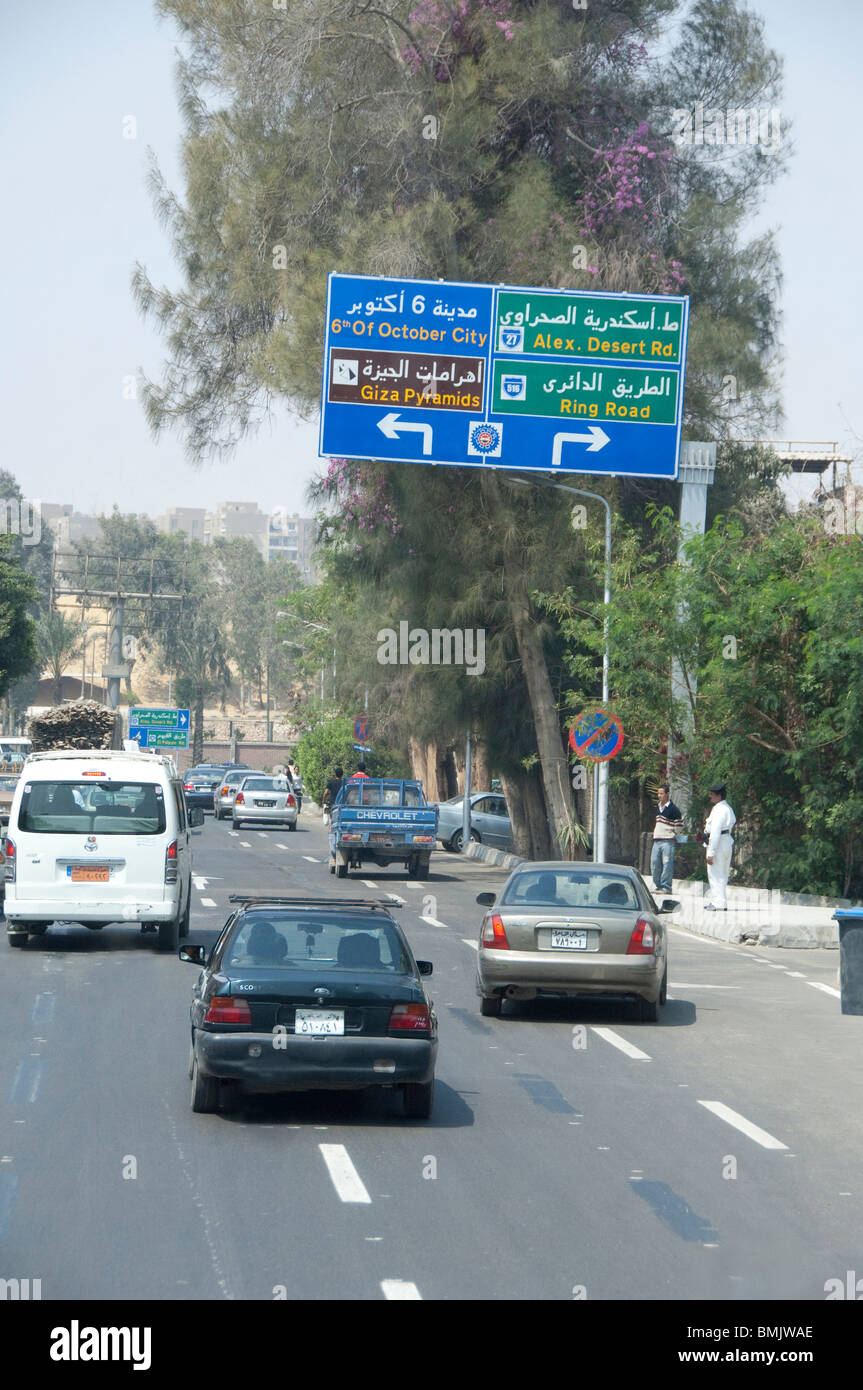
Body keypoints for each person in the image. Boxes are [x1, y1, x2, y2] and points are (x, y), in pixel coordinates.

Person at [703, 782, 736, 911]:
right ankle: (719, 901)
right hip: (726, 842)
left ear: (719, 795)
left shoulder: (719, 810)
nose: (710, 796)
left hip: (719, 843)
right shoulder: (727, 808)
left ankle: (719, 903)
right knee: (722, 874)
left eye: (712, 794)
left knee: (715, 873)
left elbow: (715, 832)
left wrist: (710, 853)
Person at [651, 783, 684, 896]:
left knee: (667, 864)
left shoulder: (674, 810)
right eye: (658, 793)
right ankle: (658, 885)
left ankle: (666, 887)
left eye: (661, 793)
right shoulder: (657, 807)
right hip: (656, 840)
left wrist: (671, 832)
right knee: (654, 863)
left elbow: (679, 828)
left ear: (667, 794)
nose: (659, 795)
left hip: (667, 841)